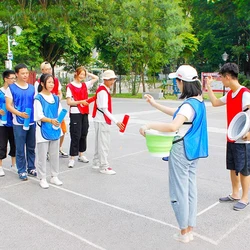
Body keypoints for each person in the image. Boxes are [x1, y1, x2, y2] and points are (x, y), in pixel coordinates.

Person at [139, 65, 208, 243]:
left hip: (181, 150)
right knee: (190, 189)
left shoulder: (188, 105)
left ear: (182, 81)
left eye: (177, 81)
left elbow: (173, 126)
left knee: (178, 191)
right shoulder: (198, 101)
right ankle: (190, 228)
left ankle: (184, 232)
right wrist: (155, 104)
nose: (176, 84)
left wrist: (149, 125)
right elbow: (178, 114)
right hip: (193, 151)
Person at [206, 62, 250, 211]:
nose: (221, 81)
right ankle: (235, 194)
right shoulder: (230, 94)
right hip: (231, 137)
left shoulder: (245, 94)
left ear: (228, 77)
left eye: (221, 78)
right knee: (232, 167)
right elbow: (215, 103)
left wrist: (249, 133)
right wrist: (209, 87)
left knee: (244, 170)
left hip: (243, 140)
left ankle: (245, 198)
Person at [5, 63, 37, 181]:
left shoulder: (32, 88)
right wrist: (19, 114)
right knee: (20, 147)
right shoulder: (11, 88)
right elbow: (8, 106)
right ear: (17, 74)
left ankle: (31, 167)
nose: (25, 75)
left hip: (31, 122)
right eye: (22, 73)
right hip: (18, 122)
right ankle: (22, 170)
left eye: (26, 73)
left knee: (31, 146)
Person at [92, 70, 124, 175]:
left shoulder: (103, 89)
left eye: (113, 79)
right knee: (104, 144)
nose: (112, 81)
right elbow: (105, 109)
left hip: (99, 119)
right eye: (110, 79)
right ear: (105, 80)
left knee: (99, 143)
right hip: (102, 120)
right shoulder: (103, 91)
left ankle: (97, 162)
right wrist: (116, 121)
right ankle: (104, 166)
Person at [34, 74, 63, 188]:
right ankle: (42, 178)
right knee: (42, 155)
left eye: (52, 82)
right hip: (43, 131)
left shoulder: (55, 98)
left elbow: (60, 112)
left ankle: (54, 176)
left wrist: (59, 120)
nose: (51, 84)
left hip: (55, 129)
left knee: (54, 154)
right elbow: (39, 115)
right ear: (42, 83)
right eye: (49, 82)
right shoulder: (38, 98)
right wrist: (51, 120)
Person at [66, 66, 99, 168]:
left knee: (84, 133)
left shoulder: (85, 85)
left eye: (84, 75)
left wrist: (87, 73)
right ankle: (72, 157)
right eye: (80, 74)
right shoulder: (70, 86)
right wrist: (80, 102)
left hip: (85, 112)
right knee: (75, 134)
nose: (82, 76)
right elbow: (69, 102)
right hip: (76, 112)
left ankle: (81, 154)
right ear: (76, 73)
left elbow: (96, 78)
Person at [35, 61, 68, 158]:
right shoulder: (38, 84)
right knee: (46, 132)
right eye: (46, 69)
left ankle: (58, 148)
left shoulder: (56, 80)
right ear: (42, 70)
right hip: (46, 112)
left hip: (55, 108)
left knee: (61, 129)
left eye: (50, 69)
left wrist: (58, 97)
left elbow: (59, 92)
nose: (49, 71)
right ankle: (46, 152)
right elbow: (38, 98)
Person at [0, 70, 16, 176]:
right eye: (12, 78)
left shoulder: (15, 90)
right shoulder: (0, 91)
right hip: (2, 122)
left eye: (15, 78)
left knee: (14, 144)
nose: (14, 80)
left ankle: (13, 165)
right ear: (6, 79)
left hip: (14, 121)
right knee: (2, 145)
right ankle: (0, 167)